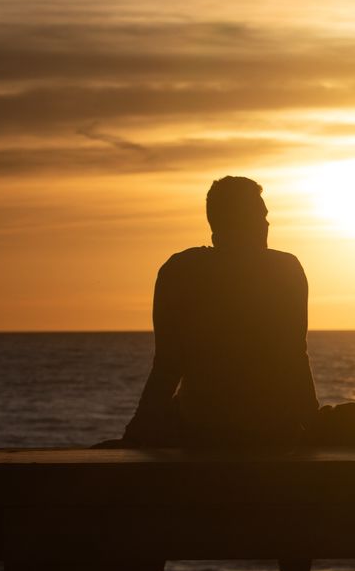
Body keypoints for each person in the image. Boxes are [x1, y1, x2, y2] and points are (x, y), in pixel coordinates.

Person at [122, 176, 318, 448]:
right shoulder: (285, 270)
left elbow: (167, 365)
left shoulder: (179, 270)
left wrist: (137, 428)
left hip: (201, 428)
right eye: (261, 216)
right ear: (244, 221)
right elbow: (294, 357)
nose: (267, 224)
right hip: (272, 429)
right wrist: (314, 427)